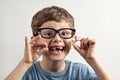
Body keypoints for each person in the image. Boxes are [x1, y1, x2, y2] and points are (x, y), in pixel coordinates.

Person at [5, 6, 114, 80]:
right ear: (35, 39)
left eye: (64, 33)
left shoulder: (80, 72)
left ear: (73, 38)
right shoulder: (27, 73)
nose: (57, 38)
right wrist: (25, 63)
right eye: (48, 34)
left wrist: (92, 60)